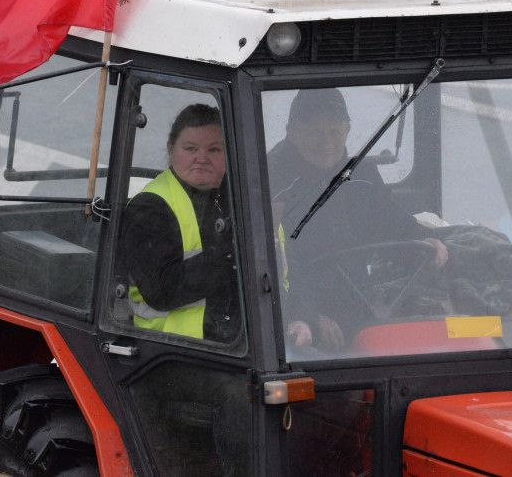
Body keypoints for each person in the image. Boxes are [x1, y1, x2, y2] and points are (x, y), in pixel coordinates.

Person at [266, 88, 448, 351]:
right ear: (291, 131)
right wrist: (309, 317)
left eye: (334, 132)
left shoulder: (362, 173)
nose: (326, 142)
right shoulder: (272, 179)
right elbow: (277, 262)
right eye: (314, 132)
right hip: (301, 306)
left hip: (362, 295)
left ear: (348, 129)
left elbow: (389, 220)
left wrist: (424, 240)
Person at [121, 103, 240, 342]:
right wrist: (229, 255)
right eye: (191, 148)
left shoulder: (240, 195)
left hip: (235, 339)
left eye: (214, 150)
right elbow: (162, 291)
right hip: (172, 348)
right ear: (171, 150)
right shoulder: (150, 207)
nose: (202, 159)